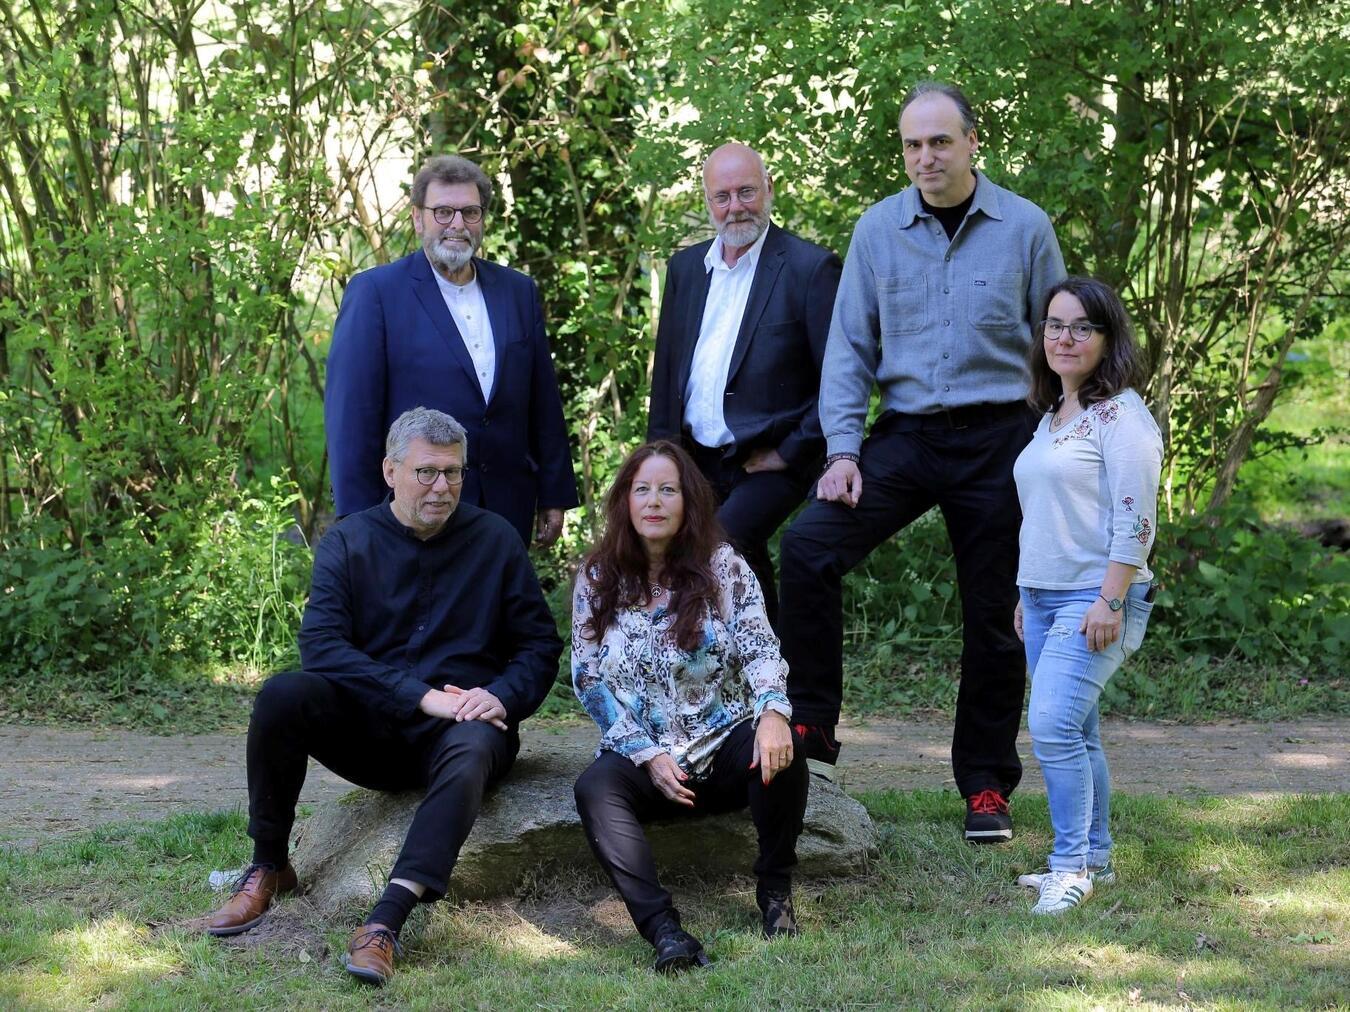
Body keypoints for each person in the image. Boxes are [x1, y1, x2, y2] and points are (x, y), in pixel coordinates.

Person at [777, 81, 1067, 846]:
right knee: (808, 547)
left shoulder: (1026, 228)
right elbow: (848, 353)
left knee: (994, 614)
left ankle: (984, 786)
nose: (925, 156)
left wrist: (1065, 438)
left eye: (940, 141)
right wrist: (843, 451)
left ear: (974, 143)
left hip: (1003, 436)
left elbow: (1060, 340)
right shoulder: (878, 231)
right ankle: (812, 726)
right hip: (906, 436)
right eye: (912, 144)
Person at [203, 408, 562, 985]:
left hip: (462, 733)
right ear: (390, 471)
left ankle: (385, 922)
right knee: (283, 694)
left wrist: (499, 696)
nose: (442, 487)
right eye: (426, 472)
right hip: (372, 731)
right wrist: (419, 696)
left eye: (453, 473)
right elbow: (321, 646)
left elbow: (539, 646)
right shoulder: (347, 541)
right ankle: (269, 865)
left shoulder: (496, 540)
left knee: (473, 743)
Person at [571, 441, 808, 972]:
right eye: (642, 490)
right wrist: (647, 754)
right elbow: (586, 677)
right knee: (594, 788)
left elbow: (760, 646)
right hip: (646, 758)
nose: (654, 501)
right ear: (625, 502)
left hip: (723, 743)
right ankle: (665, 933)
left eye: (668, 489)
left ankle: (774, 892)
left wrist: (773, 712)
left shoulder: (722, 566)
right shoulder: (597, 575)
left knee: (783, 749)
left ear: (689, 501)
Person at [325, 154, 578, 546]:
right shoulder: (376, 293)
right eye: (443, 212)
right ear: (417, 218)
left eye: (469, 212)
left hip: (505, 508)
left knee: (499, 608)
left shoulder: (517, 292)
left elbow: (542, 399)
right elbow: (351, 414)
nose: (457, 224)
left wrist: (554, 493)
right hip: (413, 513)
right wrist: (358, 519)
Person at [1011, 277, 1161, 914]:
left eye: (1081, 327)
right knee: (1080, 731)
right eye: (1054, 324)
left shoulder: (1122, 416)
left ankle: (1068, 865)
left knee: (1050, 726)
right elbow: (1049, 515)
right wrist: (1026, 592)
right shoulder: (1055, 415)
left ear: (1107, 338)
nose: (1064, 338)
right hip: (1044, 597)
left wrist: (1110, 599)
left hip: (1093, 599)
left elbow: (1136, 518)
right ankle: (1094, 855)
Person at [648, 143, 842, 623]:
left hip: (773, 457)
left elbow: (840, 379)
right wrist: (660, 458)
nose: (735, 206)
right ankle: (762, 679)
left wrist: (791, 450)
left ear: (769, 189)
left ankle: (770, 676)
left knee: (720, 541)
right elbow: (669, 367)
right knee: (733, 556)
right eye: (722, 196)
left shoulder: (809, 268)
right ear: (707, 201)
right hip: (696, 458)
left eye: (746, 191)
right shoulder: (686, 269)